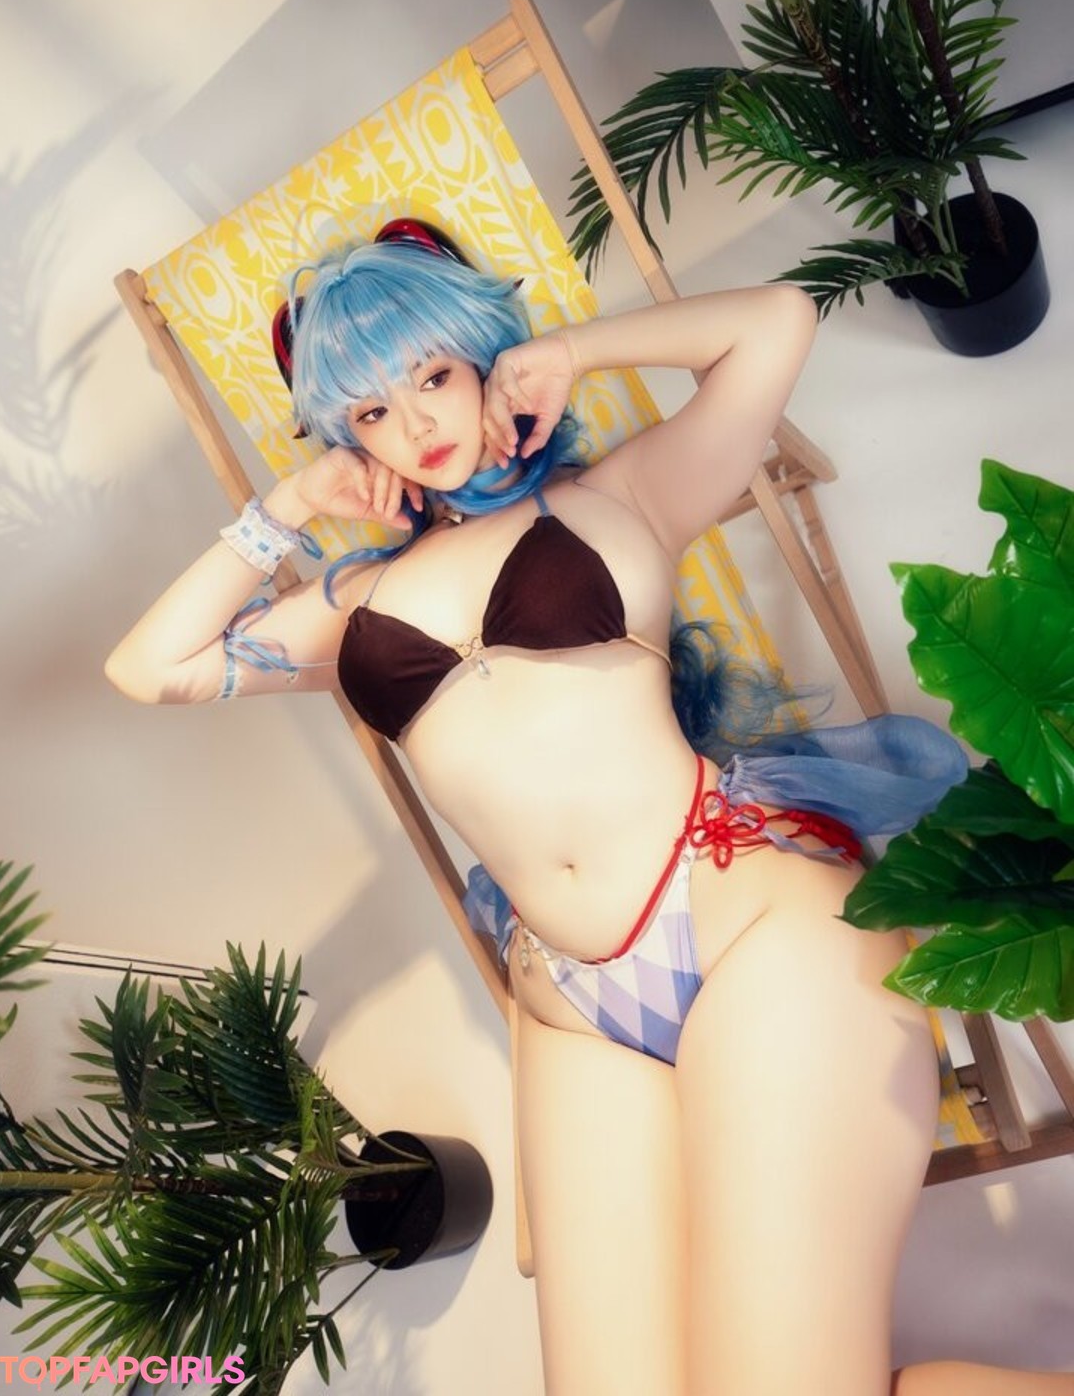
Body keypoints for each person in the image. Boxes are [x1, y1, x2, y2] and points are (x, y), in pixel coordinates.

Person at [106, 229, 1072, 1396]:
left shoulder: (623, 494)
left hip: (748, 929)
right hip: (573, 1007)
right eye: (368, 411)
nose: (415, 422)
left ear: (479, 358)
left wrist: (570, 351)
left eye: (430, 375)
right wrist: (288, 505)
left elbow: (776, 323)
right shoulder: (350, 600)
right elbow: (149, 668)